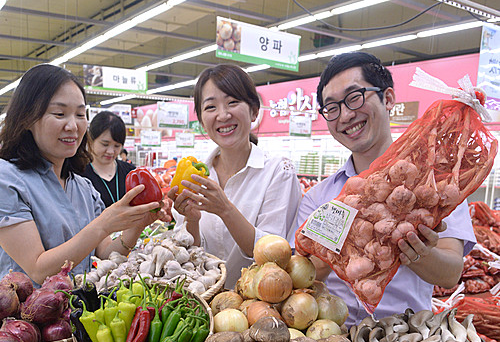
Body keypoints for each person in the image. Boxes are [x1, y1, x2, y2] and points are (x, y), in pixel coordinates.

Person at [293, 52, 476, 325]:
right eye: (332, 107)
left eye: (354, 98)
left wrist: (416, 252)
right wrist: (330, 253)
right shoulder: (318, 197)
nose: (345, 115)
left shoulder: (433, 186)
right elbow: (301, 274)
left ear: (388, 98)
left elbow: (450, 274)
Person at [0, 64, 159, 285]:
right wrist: (104, 224)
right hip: (27, 316)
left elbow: (106, 254)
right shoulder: (7, 180)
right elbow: (38, 269)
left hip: (78, 313)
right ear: (27, 118)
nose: (73, 126)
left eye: (80, 114)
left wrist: (138, 224)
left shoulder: (83, 188)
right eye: (59, 114)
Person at [168, 64, 302, 288]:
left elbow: (273, 254)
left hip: (255, 308)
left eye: (232, 102)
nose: (223, 115)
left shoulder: (278, 172)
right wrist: (192, 220)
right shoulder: (194, 174)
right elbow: (188, 255)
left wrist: (225, 209)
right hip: (201, 305)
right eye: (211, 107)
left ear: (253, 111)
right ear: (201, 120)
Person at [83, 112, 135, 208]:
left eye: (117, 146)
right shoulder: (79, 174)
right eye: (105, 144)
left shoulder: (130, 172)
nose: (111, 151)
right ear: (90, 140)